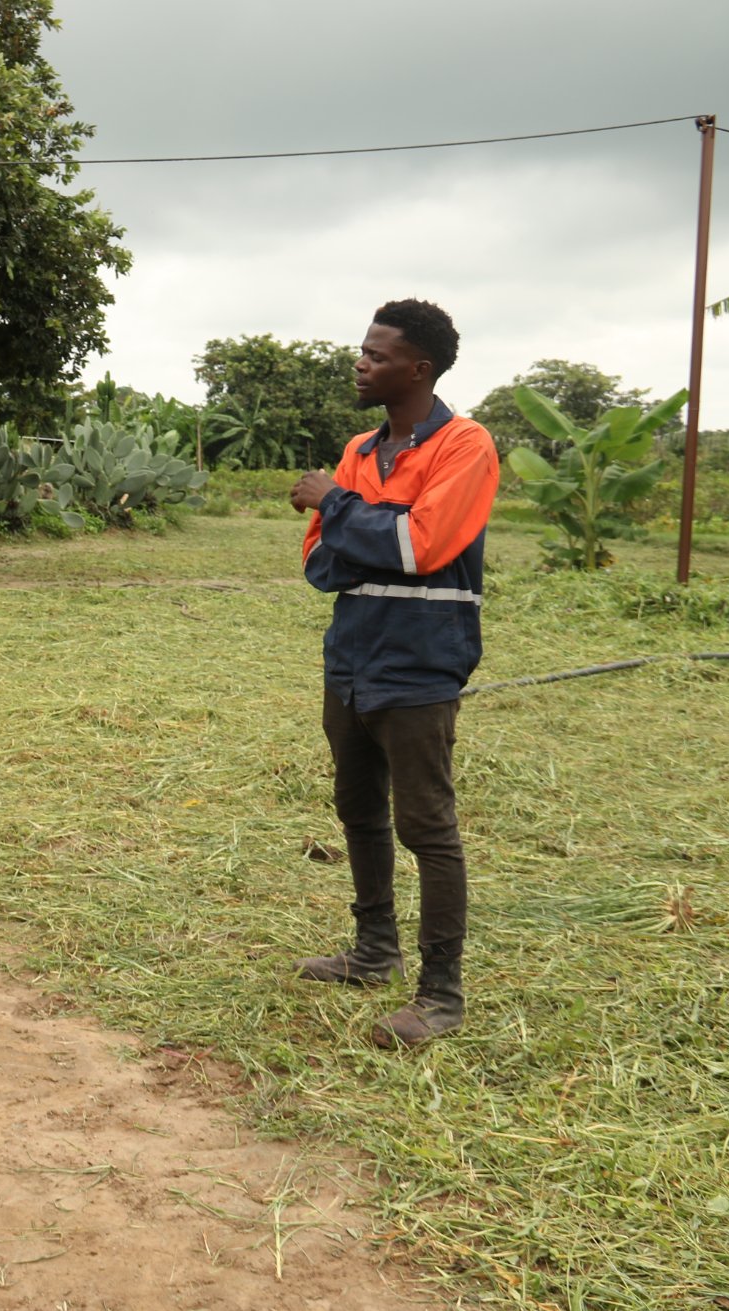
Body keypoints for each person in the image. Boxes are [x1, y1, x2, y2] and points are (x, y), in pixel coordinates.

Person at [289, 299, 499, 1048]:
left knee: (427, 826)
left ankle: (440, 995)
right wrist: (369, 524)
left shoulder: (466, 445)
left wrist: (339, 505)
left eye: (376, 356)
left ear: (419, 368)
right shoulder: (360, 448)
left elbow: (422, 547)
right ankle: (375, 950)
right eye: (362, 351)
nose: (361, 364)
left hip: (421, 664)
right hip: (350, 658)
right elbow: (319, 561)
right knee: (358, 808)